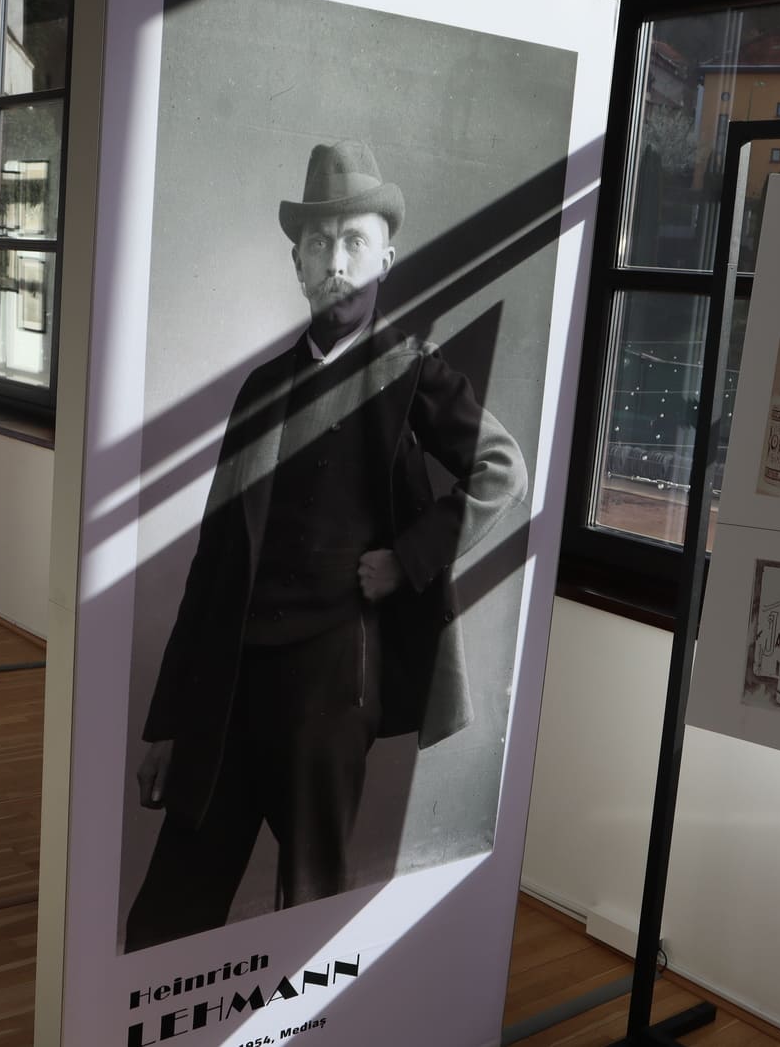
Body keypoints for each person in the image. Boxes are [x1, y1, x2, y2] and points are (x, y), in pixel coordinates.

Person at [123, 140, 528, 952]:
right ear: (298, 263)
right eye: (318, 243)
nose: (335, 260)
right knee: (165, 916)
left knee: (308, 908)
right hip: (232, 686)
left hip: (333, 686)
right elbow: (213, 560)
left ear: (385, 257)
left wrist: (407, 559)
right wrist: (170, 721)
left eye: (353, 241)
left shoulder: (412, 370)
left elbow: (502, 468)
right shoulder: (260, 390)